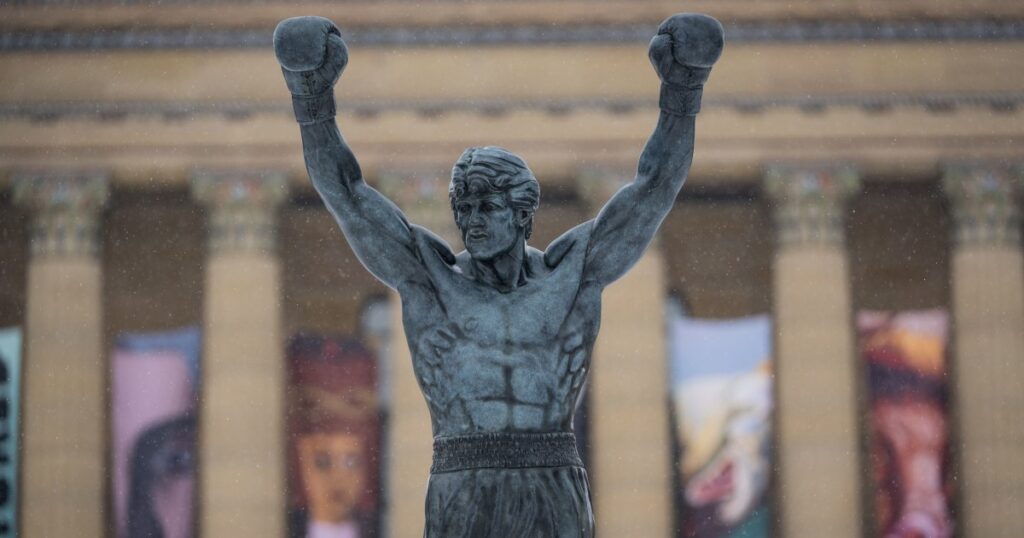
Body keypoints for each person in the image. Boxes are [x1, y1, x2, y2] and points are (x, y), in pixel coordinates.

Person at [273, 13, 723, 537]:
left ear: (522, 214)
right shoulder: (430, 279)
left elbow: (652, 189)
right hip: (463, 478)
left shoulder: (572, 274)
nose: (472, 221)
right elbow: (347, 195)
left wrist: (683, 89)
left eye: (487, 206)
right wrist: (311, 98)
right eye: (463, 208)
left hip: (552, 479)